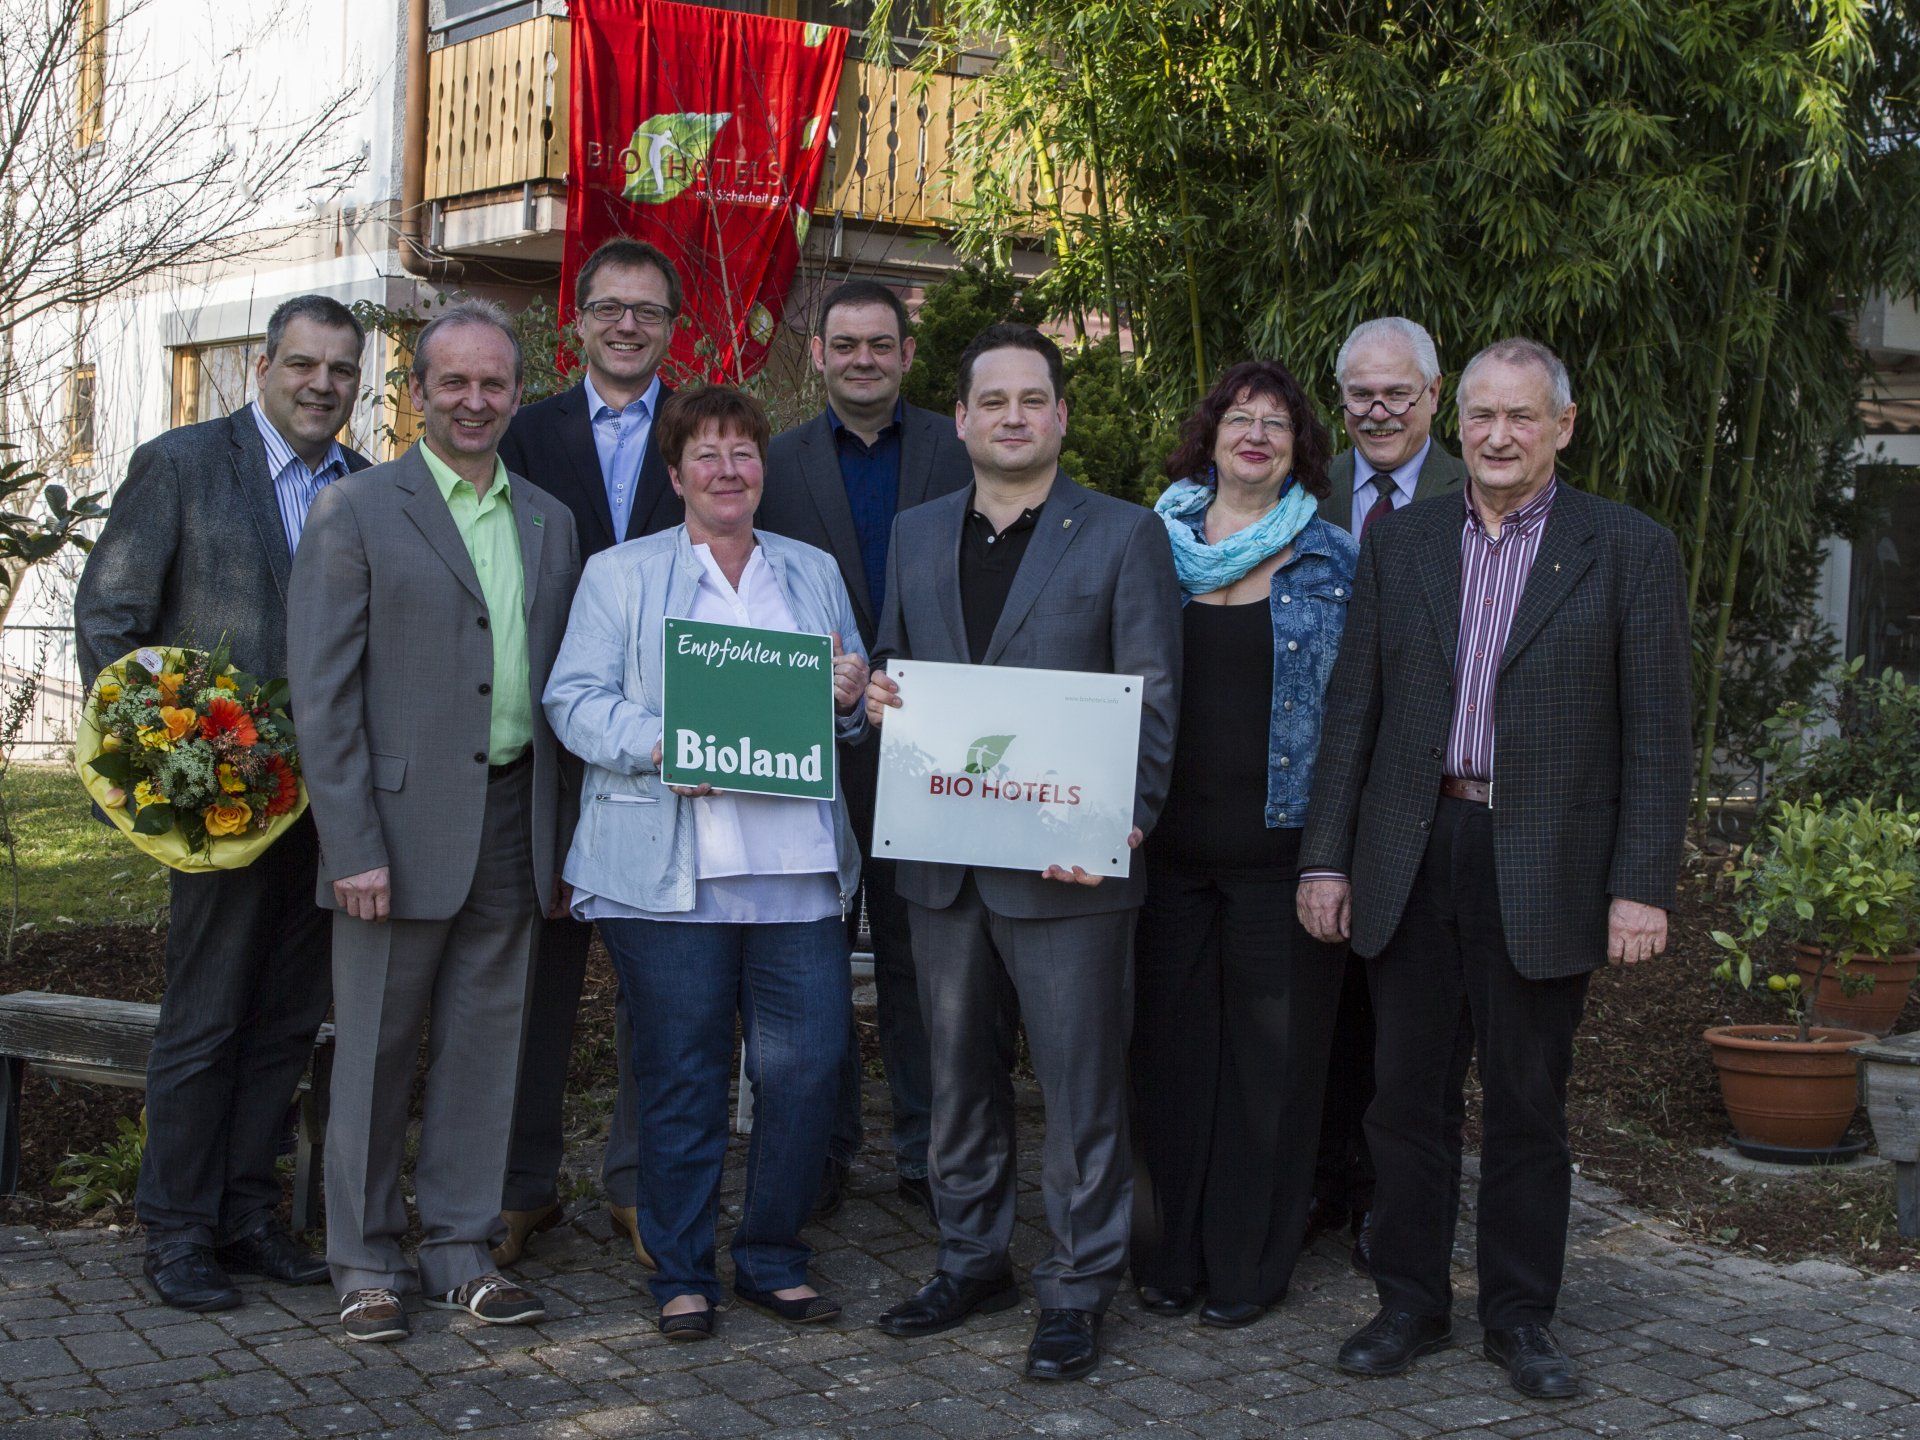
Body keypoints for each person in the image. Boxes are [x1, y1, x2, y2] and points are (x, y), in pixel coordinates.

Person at [1298, 338, 1690, 1400]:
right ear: (1452, 421)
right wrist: (1325, 860)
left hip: (1545, 860)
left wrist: (1640, 884)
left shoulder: (1630, 548)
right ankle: (1411, 1303)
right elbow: (1354, 716)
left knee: (1526, 1103)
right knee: (1404, 1097)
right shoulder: (1404, 541)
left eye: (1522, 417)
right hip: (1412, 848)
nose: (1498, 436)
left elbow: (1658, 736)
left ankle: (1520, 1316)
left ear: (1564, 425)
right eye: (1480, 416)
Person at [867, 324, 1181, 1382]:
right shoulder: (914, 535)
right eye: (990, 400)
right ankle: (972, 1260)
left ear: (1060, 415)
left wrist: (1120, 821)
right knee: (955, 1081)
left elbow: (1152, 692)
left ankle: (1080, 1285)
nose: (1012, 415)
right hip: (945, 864)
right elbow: (890, 671)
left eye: (1031, 399)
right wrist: (868, 696)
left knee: (1081, 1088)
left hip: (1069, 868)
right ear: (959, 420)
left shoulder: (1124, 534)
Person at [543, 385, 869, 1341]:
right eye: (708, 455)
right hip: (665, 872)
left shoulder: (809, 569)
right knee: (681, 1074)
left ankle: (772, 1253)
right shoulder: (621, 573)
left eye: (744, 453)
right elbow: (574, 699)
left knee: (805, 1071)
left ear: (762, 469)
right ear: (676, 472)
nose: (728, 471)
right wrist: (665, 743)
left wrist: (849, 692)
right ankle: (681, 1269)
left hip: (798, 868)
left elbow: (842, 710)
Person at [288, 299, 582, 1343]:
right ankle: (364, 1259)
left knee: (484, 1045)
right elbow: (321, 696)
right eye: (451, 383)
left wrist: (558, 841)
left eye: (493, 383)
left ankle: (461, 1248)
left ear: (517, 392)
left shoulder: (550, 520)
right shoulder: (359, 510)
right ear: (417, 394)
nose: (473, 401)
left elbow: (558, 694)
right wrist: (351, 843)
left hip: (512, 815)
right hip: (395, 830)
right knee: (372, 1048)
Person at [72, 294, 370, 1312]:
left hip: (330, 811)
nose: (321, 384)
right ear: (263, 366)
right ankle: (178, 1229)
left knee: (289, 1019)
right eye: (303, 364)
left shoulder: (368, 488)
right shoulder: (186, 466)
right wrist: (169, 768)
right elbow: (111, 619)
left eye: (340, 369)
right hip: (223, 811)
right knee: (204, 1021)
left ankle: (250, 1214)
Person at [1131, 360, 1356, 1329]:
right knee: (1169, 1063)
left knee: (1272, 1070)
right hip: (1162, 855)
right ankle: (1168, 1257)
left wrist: (1334, 855)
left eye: (1277, 423)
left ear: (1300, 449)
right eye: (1239, 418)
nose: (1255, 434)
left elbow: (1359, 722)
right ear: (1210, 434)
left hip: (1281, 861)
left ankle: (1248, 1268)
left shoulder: (1335, 561)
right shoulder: (1145, 546)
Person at [757, 279, 972, 1221]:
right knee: (814, 959)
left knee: (925, 961)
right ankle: (826, 1151)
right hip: (814, 736)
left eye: (881, 345)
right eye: (845, 345)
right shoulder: (777, 461)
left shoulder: (959, 448)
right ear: (817, 354)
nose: (863, 360)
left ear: (907, 354)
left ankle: (931, 1154)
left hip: (939, 735)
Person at [492, 237, 683, 1271]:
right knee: (534, 984)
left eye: (647, 312)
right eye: (609, 307)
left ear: (669, 329)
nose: (626, 325)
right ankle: (521, 1189)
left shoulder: (708, 435)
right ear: (578, 320)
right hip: (541, 743)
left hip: (663, 751)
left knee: (660, 986)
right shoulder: (520, 435)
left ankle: (638, 1187)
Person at [1311, 317, 1468, 1275]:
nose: (1377, 410)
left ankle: (1390, 1200)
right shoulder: (1303, 486)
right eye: (1360, 394)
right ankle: (1326, 1179)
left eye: (1397, 394)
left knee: (1407, 1024)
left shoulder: (1481, 487)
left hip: (1424, 790)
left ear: (1434, 398)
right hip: (1317, 784)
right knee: (1321, 1004)